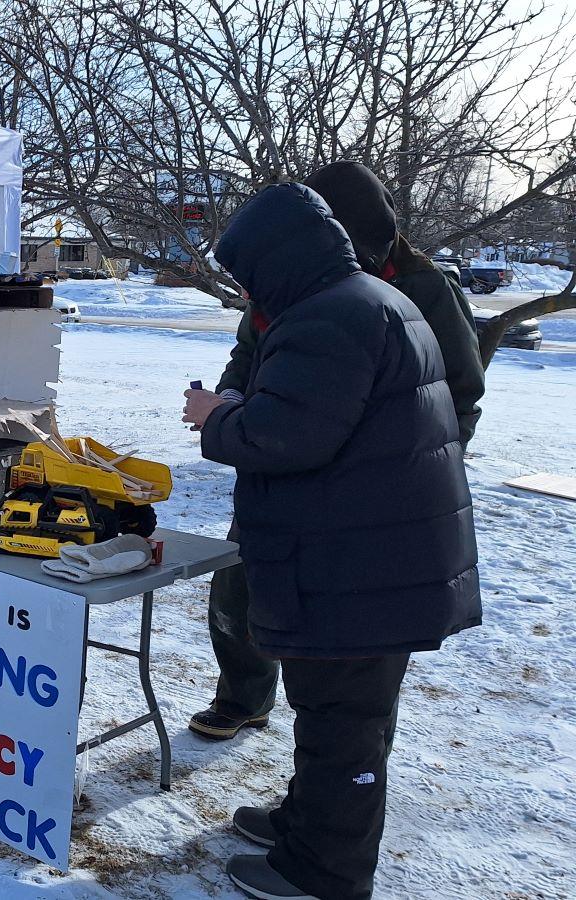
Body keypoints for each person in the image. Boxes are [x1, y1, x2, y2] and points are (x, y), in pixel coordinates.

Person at [182, 183, 479, 900]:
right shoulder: (367, 299)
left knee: (343, 723)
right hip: (367, 548)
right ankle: (307, 824)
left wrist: (217, 417)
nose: (244, 289)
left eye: (246, 271)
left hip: (355, 561)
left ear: (276, 257)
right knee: (333, 715)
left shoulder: (330, 317)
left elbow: (286, 434)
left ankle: (325, 873)